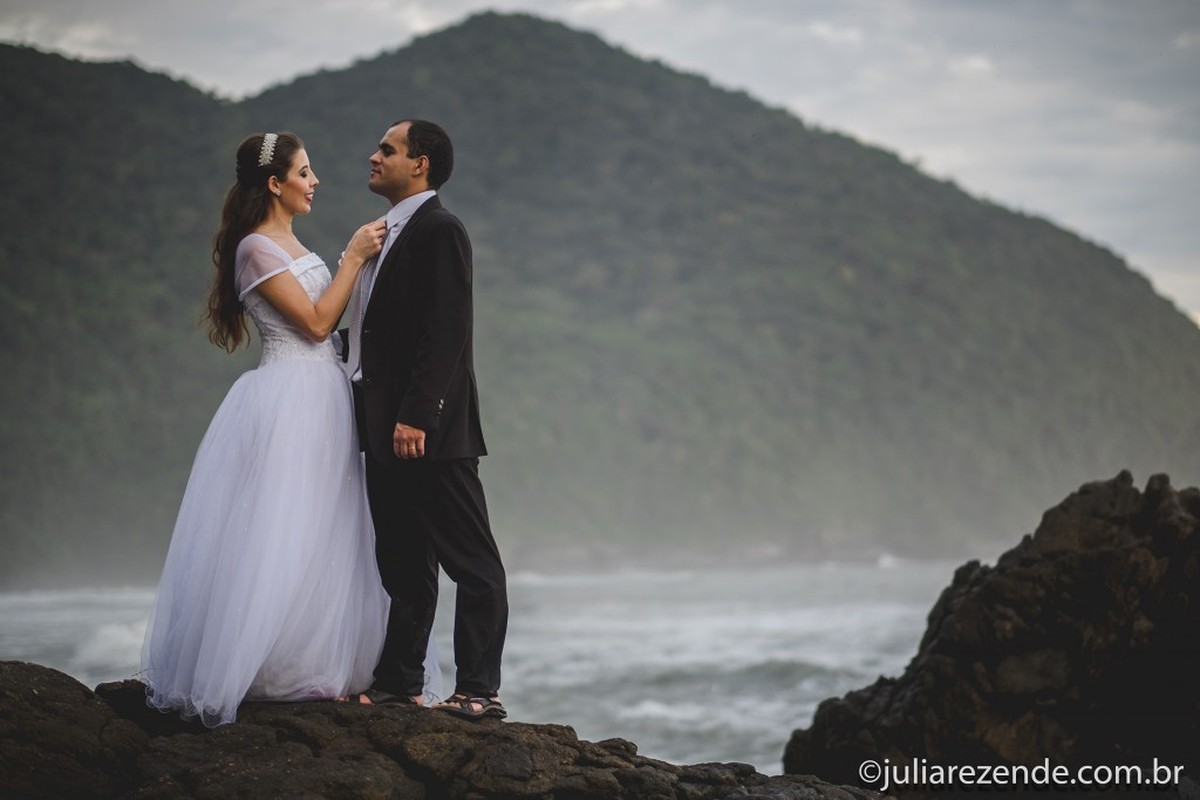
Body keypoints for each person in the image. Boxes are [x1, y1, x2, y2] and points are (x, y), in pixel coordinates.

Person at [141, 131, 440, 726]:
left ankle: (325, 657)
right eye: (305, 172)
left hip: (325, 393)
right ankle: (270, 663)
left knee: (329, 522)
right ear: (275, 184)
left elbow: (335, 331)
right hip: (288, 397)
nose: (315, 181)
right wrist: (354, 257)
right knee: (282, 522)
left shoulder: (292, 244)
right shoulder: (255, 248)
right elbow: (312, 323)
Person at [340, 120, 508, 719]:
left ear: (421, 164)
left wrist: (417, 416)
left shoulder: (440, 230)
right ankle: (398, 683)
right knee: (405, 563)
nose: (373, 155)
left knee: (474, 564)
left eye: (387, 149)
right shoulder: (384, 236)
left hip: (429, 432)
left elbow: (446, 331)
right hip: (383, 428)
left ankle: (479, 691)